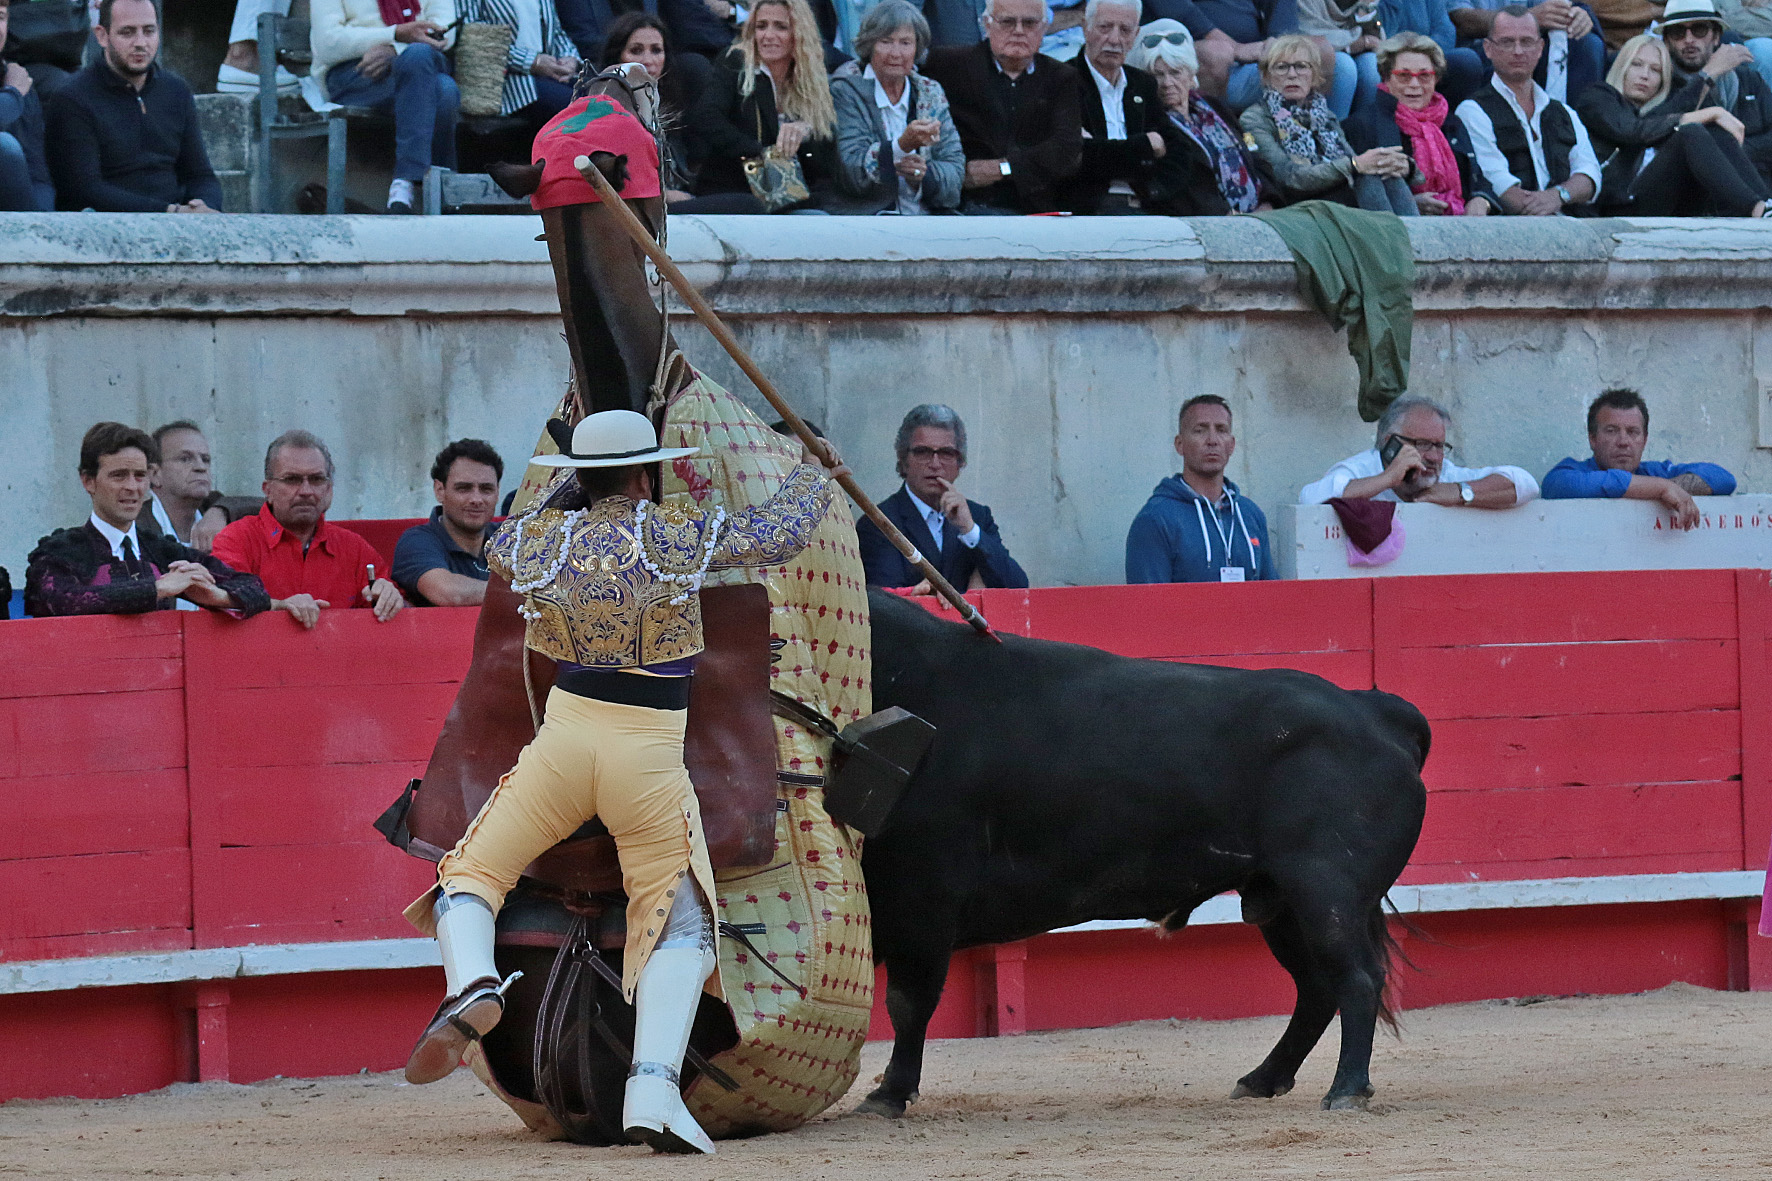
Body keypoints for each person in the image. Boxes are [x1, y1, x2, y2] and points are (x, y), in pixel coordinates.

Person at [398, 410, 847, 1157]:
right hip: (644, 749)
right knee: (682, 921)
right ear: (646, 474)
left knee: (470, 872)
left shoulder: (535, 541)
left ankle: (472, 982)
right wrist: (812, 468)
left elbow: (505, 540)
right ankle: (653, 1088)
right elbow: (778, 534)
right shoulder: (673, 533)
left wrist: (568, 478)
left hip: (563, 742)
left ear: (583, 479)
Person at [24, 423, 269, 619]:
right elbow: (60, 600)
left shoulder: (161, 549)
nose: (132, 487)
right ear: (88, 481)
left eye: (140, 476)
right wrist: (159, 588)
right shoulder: (60, 551)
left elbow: (253, 587)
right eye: (119, 476)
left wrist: (216, 596)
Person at [211, 430, 405, 629]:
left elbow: (398, 621)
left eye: (316, 479)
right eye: (292, 479)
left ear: (329, 489)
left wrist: (390, 599)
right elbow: (220, 602)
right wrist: (279, 607)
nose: (306, 491)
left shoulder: (354, 549)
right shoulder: (237, 539)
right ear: (268, 490)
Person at [45, 0, 224, 213]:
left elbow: (201, 175)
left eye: (149, 31)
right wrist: (170, 212)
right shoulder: (73, 98)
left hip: (177, 221)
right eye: (127, 33)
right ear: (102, 36)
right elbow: (83, 189)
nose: (140, 43)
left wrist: (204, 206)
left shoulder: (176, 91)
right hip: (104, 223)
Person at [1579, 32, 1771, 215]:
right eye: (1636, 64)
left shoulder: (1664, 107)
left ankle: (1765, 204)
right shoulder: (1598, 96)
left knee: (1712, 130)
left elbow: (1657, 120)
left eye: (1655, 70)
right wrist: (1708, 109)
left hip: (1669, 200)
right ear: (1622, 66)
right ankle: (1755, 208)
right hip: (1618, 204)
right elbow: (1632, 130)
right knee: (1691, 131)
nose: (1645, 75)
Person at [922, 0, 1083, 213]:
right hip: (963, 206)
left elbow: (1066, 151)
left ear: (1044, 28)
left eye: (1029, 23)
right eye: (1007, 22)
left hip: (1036, 209)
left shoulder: (1062, 77)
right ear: (987, 25)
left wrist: (1002, 168)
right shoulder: (948, 66)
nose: (1018, 31)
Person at [856, 403, 1029, 591]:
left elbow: (1018, 587)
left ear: (959, 463)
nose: (935, 464)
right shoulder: (878, 521)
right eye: (923, 452)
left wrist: (969, 530)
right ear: (904, 460)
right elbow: (884, 599)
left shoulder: (977, 516)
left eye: (946, 453)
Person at [309, 0, 459, 214]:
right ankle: (445, 197)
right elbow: (328, 42)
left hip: (422, 61)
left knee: (420, 60)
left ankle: (404, 187)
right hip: (358, 72)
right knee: (445, 91)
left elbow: (445, 31)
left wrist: (395, 49)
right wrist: (394, 34)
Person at [1239, 33, 1420, 210]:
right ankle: (1391, 230)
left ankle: (1409, 229)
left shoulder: (1324, 115)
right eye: (1281, 67)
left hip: (1334, 196)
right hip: (1296, 203)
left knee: (1386, 175)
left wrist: (1398, 165)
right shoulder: (1254, 119)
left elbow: (1350, 160)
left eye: (1301, 66)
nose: (1292, 74)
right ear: (1266, 76)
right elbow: (1287, 177)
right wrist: (1355, 165)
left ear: (1314, 75)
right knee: (1366, 177)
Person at [689, 0, 838, 211]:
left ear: (799, 33)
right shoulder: (735, 62)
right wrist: (760, 152)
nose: (768, 35)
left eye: (781, 27)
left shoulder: (810, 77)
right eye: (761, 26)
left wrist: (806, 130)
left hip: (791, 197)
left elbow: (824, 155)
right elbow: (707, 118)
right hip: (733, 192)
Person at [1454, 4, 1600, 214]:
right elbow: (1499, 186)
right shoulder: (1472, 111)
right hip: (1514, 228)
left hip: (1573, 223)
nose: (1518, 51)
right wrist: (1545, 208)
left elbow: (1590, 174)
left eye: (1526, 42)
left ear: (1540, 48)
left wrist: (1557, 195)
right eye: (1507, 42)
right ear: (1488, 48)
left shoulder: (1565, 112)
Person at [1125, 395, 1279, 583]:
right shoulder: (1155, 519)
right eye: (1200, 430)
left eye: (1221, 430)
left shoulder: (1250, 514)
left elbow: (1271, 593)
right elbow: (1147, 599)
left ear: (1231, 445)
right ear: (1180, 445)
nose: (1212, 440)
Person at [830, 0, 965, 213]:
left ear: (917, 48)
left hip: (928, 219)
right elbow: (851, 172)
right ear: (869, 45)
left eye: (905, 43)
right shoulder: (846, 89)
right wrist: (901, 147)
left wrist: (923, 176)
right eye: (886, 42)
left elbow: (955, 172)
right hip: (869, 220)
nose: (896, 53)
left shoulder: (930, 92)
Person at [1541, 388, 1737, 530]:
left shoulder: (1654, 473)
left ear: (1644, 440)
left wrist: (1665, 487)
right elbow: (1559, 485)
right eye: (1611, 431)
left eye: (1633, 432)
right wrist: (1660, 488)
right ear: (1593, 439)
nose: (1623, 441)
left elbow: (1722, 479)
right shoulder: (1571, 473)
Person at [1299, 393, 1541, 507]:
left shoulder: (1445, 474)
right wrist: (1387, 479)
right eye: (1423, 444)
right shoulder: (1362, 469)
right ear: (1391, 443)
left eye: (1439, 445)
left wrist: (1460, 493)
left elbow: (1525, 483)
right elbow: (1309, 499)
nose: (1434, 457)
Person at [1345, 31, 1495, 213]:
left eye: (1424, 76)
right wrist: (1408, 203)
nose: (1415, 84)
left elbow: (1478, 179)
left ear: (1436, 79)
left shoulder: (1451, 122)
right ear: (1386, 78)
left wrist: (1481, 200)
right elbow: (1353, 195)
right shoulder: (1361, 126)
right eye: (1404, 76)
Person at [1128, 19, 1268, 212]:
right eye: (1157, 75)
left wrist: (1269, 201)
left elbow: (1253, 155)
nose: (1167, 83)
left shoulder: (1212, 106)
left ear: (1191, 74)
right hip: (1212, 219)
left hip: (1261, 210)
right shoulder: (1149, 123)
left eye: (1175, 73)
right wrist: (1227, 215)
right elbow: (1180, 190)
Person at [1060, 0, 1178, 213]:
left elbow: (1178, 152)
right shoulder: (1062, 82)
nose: (1114, 39)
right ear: (1086, 28)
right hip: (1089, 211)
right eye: (1105, 27)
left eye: (1125, 30)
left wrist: (1152, 190)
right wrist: (1146, 146)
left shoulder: (1143, 84)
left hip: (1147, 205)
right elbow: (1075, 158)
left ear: (1136, 35)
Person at [1658, 0, 1772, 184]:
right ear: (1667, 41)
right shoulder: (1659, 82)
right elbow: (1656, 129)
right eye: (1678, 32)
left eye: (1699, 29)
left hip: (1758, 183)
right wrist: (1707, 75)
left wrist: (1732, 151)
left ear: (1716, 37)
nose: (1689, 39)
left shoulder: (1748, 79)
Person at [393, 439, 503, 607]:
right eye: (464, 488)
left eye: (486, 489)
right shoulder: (416, 541)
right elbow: (448, 593)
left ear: (497, 493)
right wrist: (525, 593)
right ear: (440, 490)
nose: (476, 499)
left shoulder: (511, 537)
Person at [1447, 0, 1606, 100]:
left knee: (1587, 43)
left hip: (1533, 46)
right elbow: (1461, 20)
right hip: (1481, 52)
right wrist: (1524, 20)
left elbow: (1556, 10)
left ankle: (1573, 130)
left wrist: (1577, 16)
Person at [473, 0, 582, 131]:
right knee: (578, 108)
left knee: (597, 98)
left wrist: (569, 58)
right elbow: (475, 41)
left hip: (550, 72)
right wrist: (532, 62)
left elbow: (557, 32)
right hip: (506, 82)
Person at [137, 421, 240, 554]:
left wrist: (221, 512)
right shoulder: (135, 526)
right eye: (185, 459)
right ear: (154, 474)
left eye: (205, 459)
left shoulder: (217, 506)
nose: (201, 467)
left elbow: (265, 505)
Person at [1375, 0, 1484, 103]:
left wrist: (1421, 55)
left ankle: (1450, 112)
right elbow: (1381, 36)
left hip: (1431, 56)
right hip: (1390, 59)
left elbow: (1445, 33)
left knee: (1467, 60)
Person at [0, 0, 53, 212]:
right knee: (5, 147)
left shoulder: (18, 81)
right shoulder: (16, 87)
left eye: (0, 17)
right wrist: (13, 94)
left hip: (17, 219)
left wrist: (44, 220)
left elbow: (37, 174)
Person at [1716, 0, 1772, 93]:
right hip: (1722, 42)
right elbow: (1712, 21)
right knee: (1763, 49)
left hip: (1757, 41)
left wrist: (1729, 16)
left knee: (1764, 48)